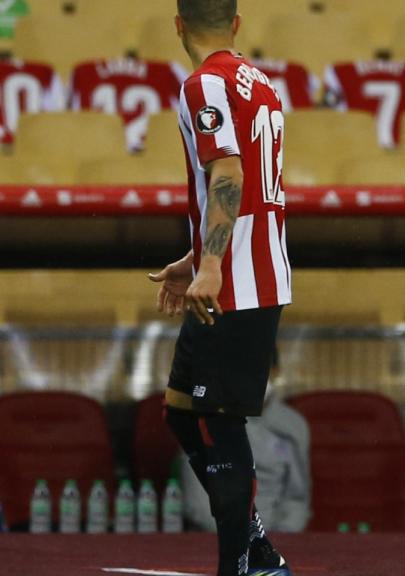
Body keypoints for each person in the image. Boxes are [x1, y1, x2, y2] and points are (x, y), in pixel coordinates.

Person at [147, 1, 292, 575]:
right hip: (243, 269)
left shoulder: (203, 83)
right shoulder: (259, 81)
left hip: (236, 281)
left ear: (178, 24)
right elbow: (251, 183)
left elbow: (228, 172)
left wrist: (212, 266)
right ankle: (256, 547)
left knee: (218, 421)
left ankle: (239, 564)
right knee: (183, 413)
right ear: (236, 23)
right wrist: (196, 256)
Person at [183, 350, 312, 533]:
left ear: (275, 371)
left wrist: (283, 537)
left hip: (278, 541)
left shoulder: (293, 425)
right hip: (217, 540)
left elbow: (296, 499)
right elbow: (197, 505)